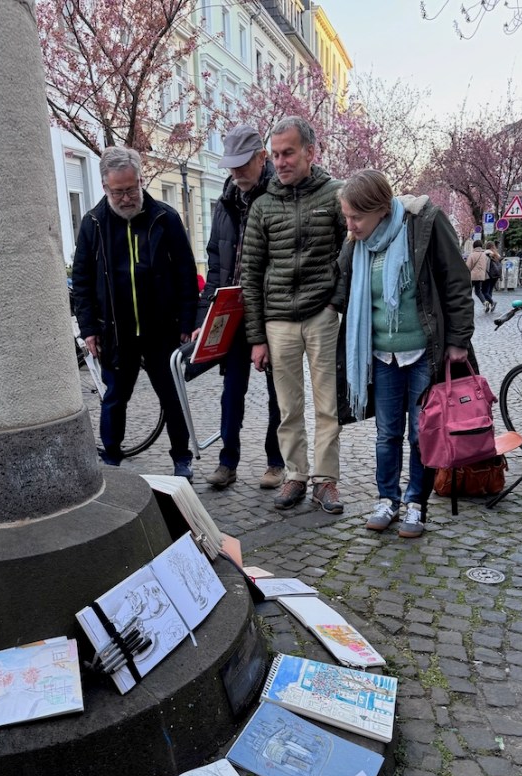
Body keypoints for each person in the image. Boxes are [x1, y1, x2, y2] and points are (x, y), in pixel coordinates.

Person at [334, 169, 474, 539]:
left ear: (381, 209)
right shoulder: (357, 242)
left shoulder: (425, 224)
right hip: (382, 356)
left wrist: (458, 340)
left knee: (420, 434)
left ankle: (416, 503)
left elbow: (456, 282)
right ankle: (387, 499)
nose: (350, 225)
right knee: (387, 433)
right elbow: (339, 286)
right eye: (346, 216)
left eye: (356, 217)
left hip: (425, 353)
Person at [72, 146, 199, 477]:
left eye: (132, 188)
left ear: (141, 180)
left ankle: (181, 458)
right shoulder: (93, 223)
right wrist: (89, 329)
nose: (127, 198)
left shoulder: (165, 218)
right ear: (105, 187)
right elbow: (82, 282)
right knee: (115, 398)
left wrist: (188, 321)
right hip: (116, 331)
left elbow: (186, 274)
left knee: (172, 396)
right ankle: (111, 460)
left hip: (162, 329)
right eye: (118, 192)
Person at [241, 116, 347, 514]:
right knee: (288, 407)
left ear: (310, 152)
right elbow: (251, 273)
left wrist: (335, 302)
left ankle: (326, 480)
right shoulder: (263, 205)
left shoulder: (335, 195)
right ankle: (295, 475)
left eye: (288, 153)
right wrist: (256, 337)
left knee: (327, 405)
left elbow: (351, 253)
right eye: (275, 154)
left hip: (322, 314)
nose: (280, 162)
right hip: (278, 320)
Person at [197, 125, 284, 491]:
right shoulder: (227, 199)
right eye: (231, 165)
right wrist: (206, 313)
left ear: (262, 157)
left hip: (273, 310)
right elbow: (216, 259)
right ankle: (227, 461)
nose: (236, 171)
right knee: (232, 389)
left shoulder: (280, 194)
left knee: (280, 392)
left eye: (243, 163)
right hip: (232, 309)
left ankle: (276, 461)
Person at [465, 240, 489, 311]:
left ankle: (468, 306)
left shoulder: (472, 255)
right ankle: (485, 302)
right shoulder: (484, 255)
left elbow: (468, 266)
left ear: (474, 246)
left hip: (472, 276)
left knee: (468, 291)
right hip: (481, 276)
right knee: (478, 291)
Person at [482, 241, 501, 312]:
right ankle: (490, 305)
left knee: (484, 292)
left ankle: (492, 303)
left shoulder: (485, 253)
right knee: (489, 291)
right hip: (495, 275)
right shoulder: (497, 254)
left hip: (488, 274)